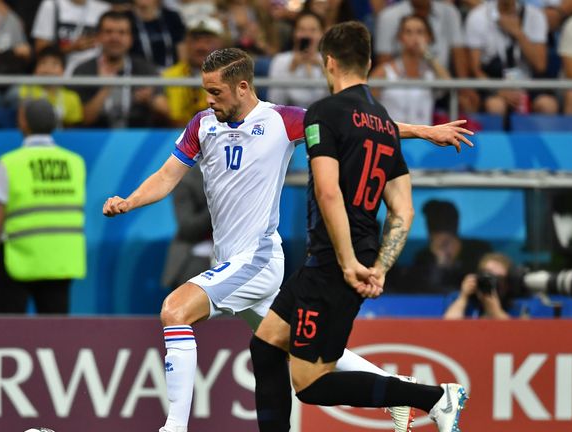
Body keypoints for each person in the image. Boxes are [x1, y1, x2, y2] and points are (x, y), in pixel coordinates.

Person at [103, 46, 473, 432]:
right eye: (206, 92)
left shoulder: (281, 121)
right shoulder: (202, 125)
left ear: (242, 87)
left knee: (175, 311)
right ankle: (409, 392)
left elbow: (359, 129)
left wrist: (425, 131)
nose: (208, 100)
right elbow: (166, 176)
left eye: (216, 92)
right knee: (296, 347)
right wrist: (129, 202)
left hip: (257, 259)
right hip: (230, 262)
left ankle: (174, 428)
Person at [249, 22, 468, 432]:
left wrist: (350, 263)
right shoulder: (384, 124)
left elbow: (329, 193)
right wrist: (380, 266)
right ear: (368, 63)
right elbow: (403, 211)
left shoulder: (323, 113)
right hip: (347, 257)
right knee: (264, 345)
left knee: (311, 383)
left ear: (328, 62)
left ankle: (434, 397)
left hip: (336, 260)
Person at [0, 99, 86, 314]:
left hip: (17, 261)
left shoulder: (9, 163)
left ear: (23, 122)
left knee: (9, 334)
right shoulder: (75, 163)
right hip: (61, 260)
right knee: (56, 336)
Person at [71, 10, 171, 128]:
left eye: (122, 33)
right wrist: (106, 87)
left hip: (138, 140)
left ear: (131, 39)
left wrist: (150, 100)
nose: (115, 38)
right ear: (98, 36)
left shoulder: (146, 69)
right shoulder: (83, 71)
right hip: (95, 140)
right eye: (109, 32)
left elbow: (167, 112)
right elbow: (82, 120)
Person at [465, 0, 559, 115]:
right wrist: (498, 91)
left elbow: (540, 65)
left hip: (527, 83)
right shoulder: (478, 16)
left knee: (548, 105)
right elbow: (476, 70)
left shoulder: (535, 16)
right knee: (496, 106)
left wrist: (518, 33)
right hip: (493, 82)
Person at [369, 14, 450, 126]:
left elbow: (448, 85)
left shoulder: (431, 74)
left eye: (420, 32)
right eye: (408, 32)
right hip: (393, 139)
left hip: (423, 140)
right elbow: (367, 105)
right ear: (400, 37)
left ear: (428, 37)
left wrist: (428, 55)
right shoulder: (384, 72)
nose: (414, 37)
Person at [403, 199, 492, 294]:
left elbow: (483, 283)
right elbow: (418, 290)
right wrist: (438, 264)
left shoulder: (478, 251)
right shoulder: (424, 257)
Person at [162, 16, 225, 126]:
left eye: (208, 41)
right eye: (195, 40)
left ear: (220, 44)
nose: (201, 47)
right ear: (186, 43)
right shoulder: (168, 76)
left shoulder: (233, 77)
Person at [160, 167, 213, 290]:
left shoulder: (245, 174)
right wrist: (218, 205)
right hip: (197, 253)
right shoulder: (187, 179)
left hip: (238, 254)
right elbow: (187, 226)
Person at [267, 11, 329, 108]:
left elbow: (333, 99)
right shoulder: (280, 60)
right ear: (294, 33)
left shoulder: (328, 60)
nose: (307, 35)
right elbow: (275, 100)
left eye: (313, 30)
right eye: (302, 29)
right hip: (290, 117)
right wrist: (291, 69)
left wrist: (323, 68)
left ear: (321, 34)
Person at [31, 0, 111, 70]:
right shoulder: (51, 5)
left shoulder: (104, 8)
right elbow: (41, 49)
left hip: (95, 73)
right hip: (61, 74)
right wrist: (71, 48)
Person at [19, 45, 85, 128]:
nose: (48, 69)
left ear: (63, 71)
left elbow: (72, 130)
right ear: (35, 70)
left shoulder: (72, 97)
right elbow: (24, 123)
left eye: (54, 64)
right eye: (43, 63)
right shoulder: (27, 90)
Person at [444, 252, 514, 319]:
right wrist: (463, 297)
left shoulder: (514, 305)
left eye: (499, 278)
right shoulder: (457, 298)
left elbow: (515, 330)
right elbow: (448, 326)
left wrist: (496, 312)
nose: (492, 282)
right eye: (488, 275)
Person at [127, 0, 186, 69]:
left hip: (171, 74)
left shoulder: (172, 17)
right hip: (139, 74)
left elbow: (182, 52)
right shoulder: (126, 18)